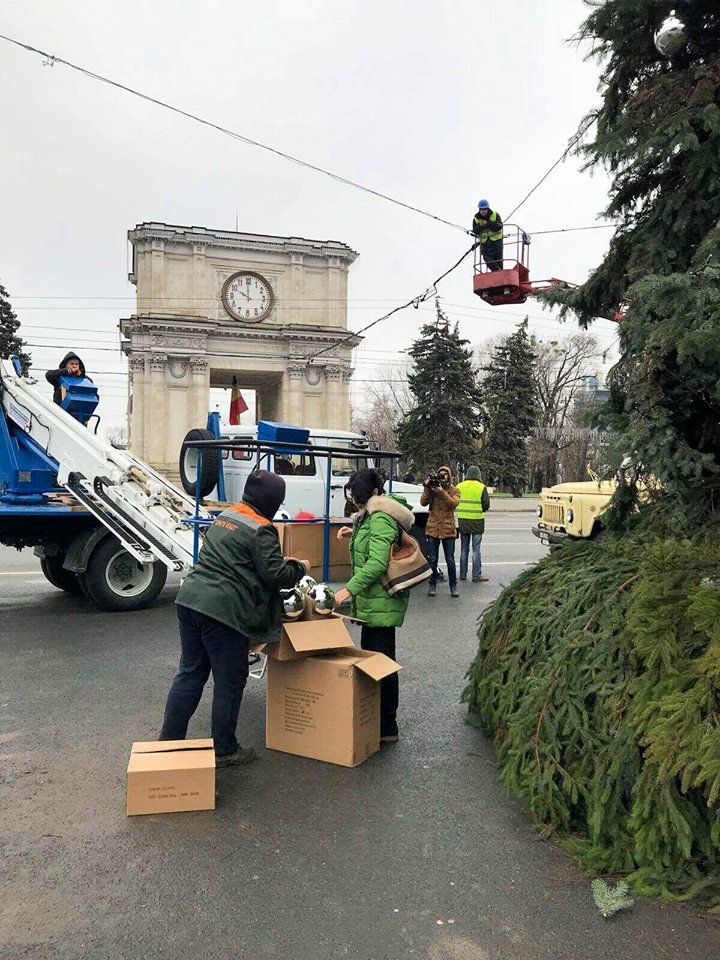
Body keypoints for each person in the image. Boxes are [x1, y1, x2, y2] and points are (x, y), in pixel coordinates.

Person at [160, 470, 308, 767]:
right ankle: (225, 749)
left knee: (190, 673)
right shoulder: (262, 528)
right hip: (222, 612)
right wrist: (300, 567)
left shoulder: (226, 516)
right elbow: (275, 575)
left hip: (190, 600)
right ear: (272, 501)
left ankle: (168, 742)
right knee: (230, 681)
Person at [335, 468, 414, 744]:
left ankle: (387, 725)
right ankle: (378, 721)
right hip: (371, 604)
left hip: (380, 603)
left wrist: (347, 590)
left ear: (374, 494)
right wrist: (352, 530)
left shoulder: (381, 518)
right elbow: (368, 535)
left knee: (383, 664)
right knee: (376, 661)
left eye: (358, 500)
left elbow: (377, 563)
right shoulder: (370, 515)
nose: (355, 504)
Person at [421, 466, 460, 598]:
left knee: (450, 560)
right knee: (433, 560)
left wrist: (442, 492)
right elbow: (423, 503)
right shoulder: (432, 489)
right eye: (440, 474)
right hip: (433, 528)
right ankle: (432, 586)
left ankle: (453, 587)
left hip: (448, 528)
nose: (442, 476)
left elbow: (453, 504)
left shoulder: (455, 490)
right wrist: (427, 488)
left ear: (449, 476)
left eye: (445, 475)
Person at [456, 465, 491, 583]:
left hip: (463, 521)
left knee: (464, 549)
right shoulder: (481, 487)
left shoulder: (459, 486)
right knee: (476, 549)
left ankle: (462, 574)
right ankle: (476, 575)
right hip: (477, 521)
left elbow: (455, 502)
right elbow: (486, 505)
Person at [471, 199, 504, 272]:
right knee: (488, 260)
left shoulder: (495, 215)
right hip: (485, 243)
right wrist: (480, 226)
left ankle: (500, 272)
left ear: (488, 208)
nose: (483, 211)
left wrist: (487, 223)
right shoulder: (476, 219)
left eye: (485, 209)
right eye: (481, 209)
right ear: (479, 209)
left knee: (498, 260)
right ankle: (497, 271)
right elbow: (475, 231)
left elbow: (499, 227)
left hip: (496, 242)